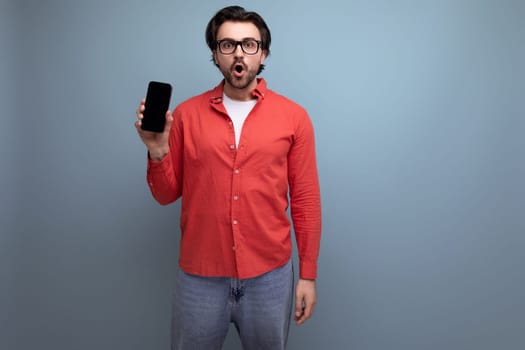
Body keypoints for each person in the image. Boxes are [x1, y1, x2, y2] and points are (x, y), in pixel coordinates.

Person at [135, 5, 321, 350]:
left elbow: (306, 199)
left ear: (262, 52)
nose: (238, 53)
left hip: (270, 278)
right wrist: (157, 150)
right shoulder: (187, 116)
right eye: (227, 44)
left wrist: (307, 274)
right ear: (215, 55)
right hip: (199, 278)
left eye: (249, 44)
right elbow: (165, 194)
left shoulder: (294, 117)